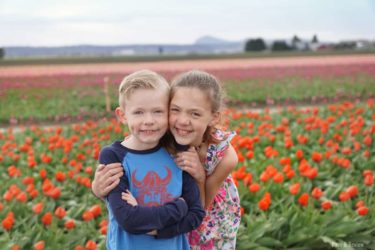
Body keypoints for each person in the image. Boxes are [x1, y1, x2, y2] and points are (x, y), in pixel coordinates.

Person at [93, 70, 241, 249]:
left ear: (213, 117)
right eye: (176, 110)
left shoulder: (225, 156)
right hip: (167, 227)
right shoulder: (163, 137)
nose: (183, 121)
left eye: (195, 114)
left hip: (211, 226)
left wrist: (200, 177)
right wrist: (98, 189)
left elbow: (200, 209)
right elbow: (132, 154)